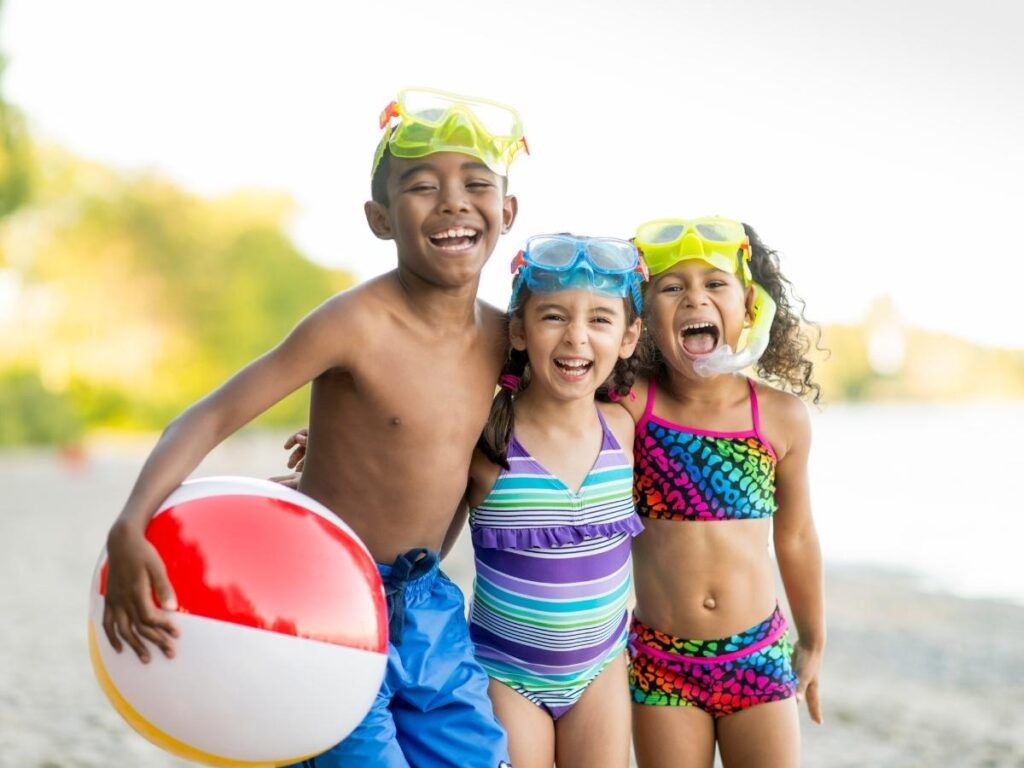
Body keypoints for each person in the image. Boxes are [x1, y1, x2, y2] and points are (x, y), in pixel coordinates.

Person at [100, 87, 529, 768]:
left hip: (427, 604)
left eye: (476, 184)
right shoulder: (353, 325)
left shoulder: (509, 339)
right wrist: (130, 522)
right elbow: (212, 412)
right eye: (422, 186)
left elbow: (593, 380)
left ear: (506, 211)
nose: (452, 200)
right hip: (325, 598)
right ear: (380, 218)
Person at [619, 217, 825, 768]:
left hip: (757, 654)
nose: (694, 298)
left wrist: (814, 639)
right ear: (640, 317)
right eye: (671, 286)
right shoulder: (635, 407)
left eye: (714, 284)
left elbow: (798, 536)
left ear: (751, 307)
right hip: (662, 663)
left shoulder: (778, 417)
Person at [466, 235, 645, 767]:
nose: (577, 338)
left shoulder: (624, 428)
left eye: (600, 320)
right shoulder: (487, 435)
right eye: (553, 317)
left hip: (601, 671)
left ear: (629, 336)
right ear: (519, 330)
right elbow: (413, 488)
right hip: (507, 672)